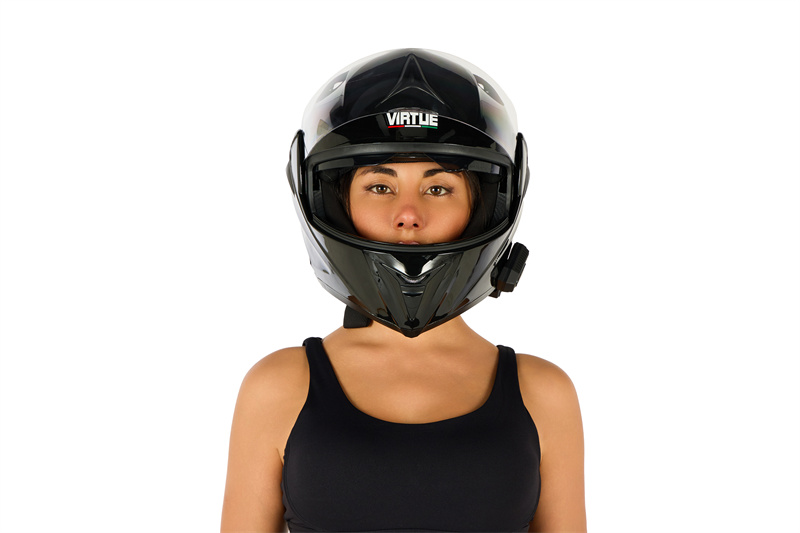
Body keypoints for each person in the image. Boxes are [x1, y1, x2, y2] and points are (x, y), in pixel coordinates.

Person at [221, 49, 586, 532]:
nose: (408, 215)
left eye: (438, 188)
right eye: (380, 186)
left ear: (483, 206)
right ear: (335, 201)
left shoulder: (544, 395)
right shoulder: (277, 387)